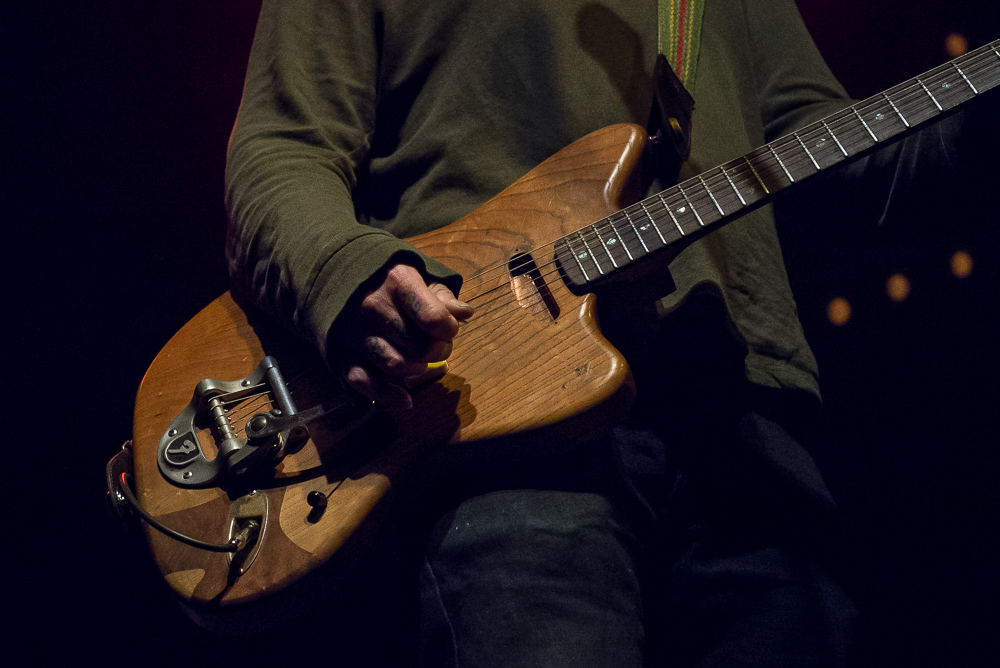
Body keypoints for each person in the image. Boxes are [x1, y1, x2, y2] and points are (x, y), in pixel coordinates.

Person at [224, 1, 997, 665]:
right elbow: (281, 149)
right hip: (498, 421)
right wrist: (347, 273)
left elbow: (840, 161)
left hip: (743, 423)